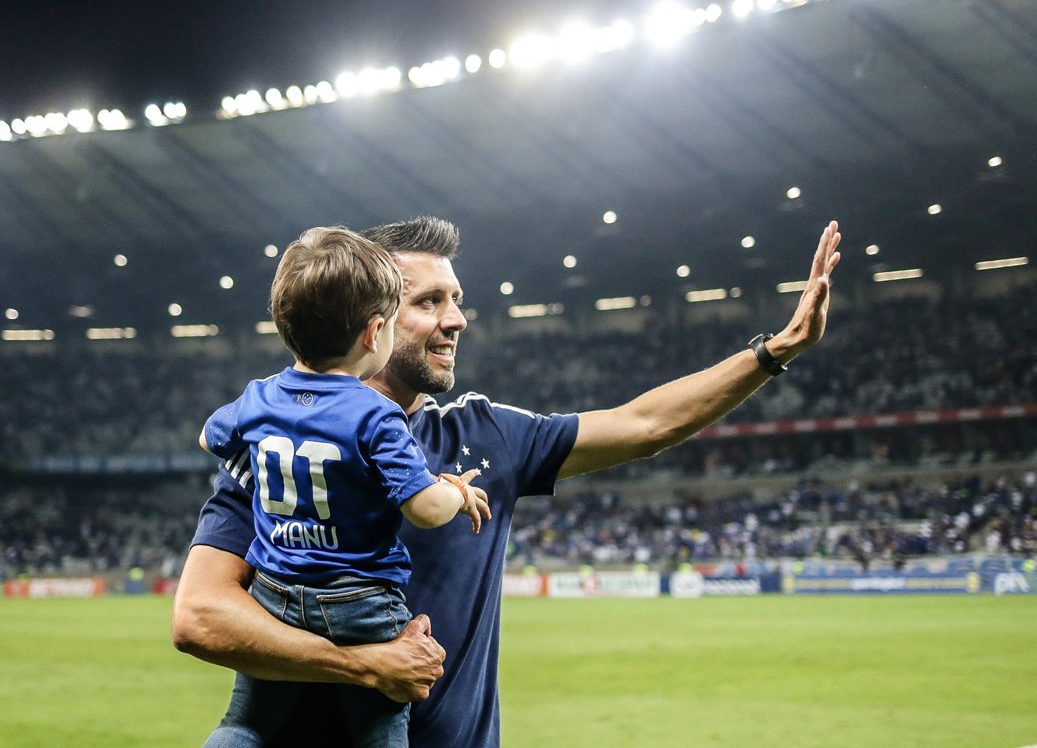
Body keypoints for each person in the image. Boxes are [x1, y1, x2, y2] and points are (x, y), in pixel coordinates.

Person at [173, 216, 842, 747]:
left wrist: (770, 353)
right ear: (370, 320)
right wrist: (363, 666)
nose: (456, 319)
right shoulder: (284, 450)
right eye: (430, 301)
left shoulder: (489, 436)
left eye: (457, 300)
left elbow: (644, 424)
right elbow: (200, 619)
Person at [197, 226, 489, 747]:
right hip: (361, 602)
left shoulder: (258, 398)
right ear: (375, 333)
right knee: (380, 728)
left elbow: (208, 438)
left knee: (245, 723)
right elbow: (423, 508)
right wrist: (457, 493)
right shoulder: (376, 414)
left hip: (275, 593)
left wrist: (262, 467)